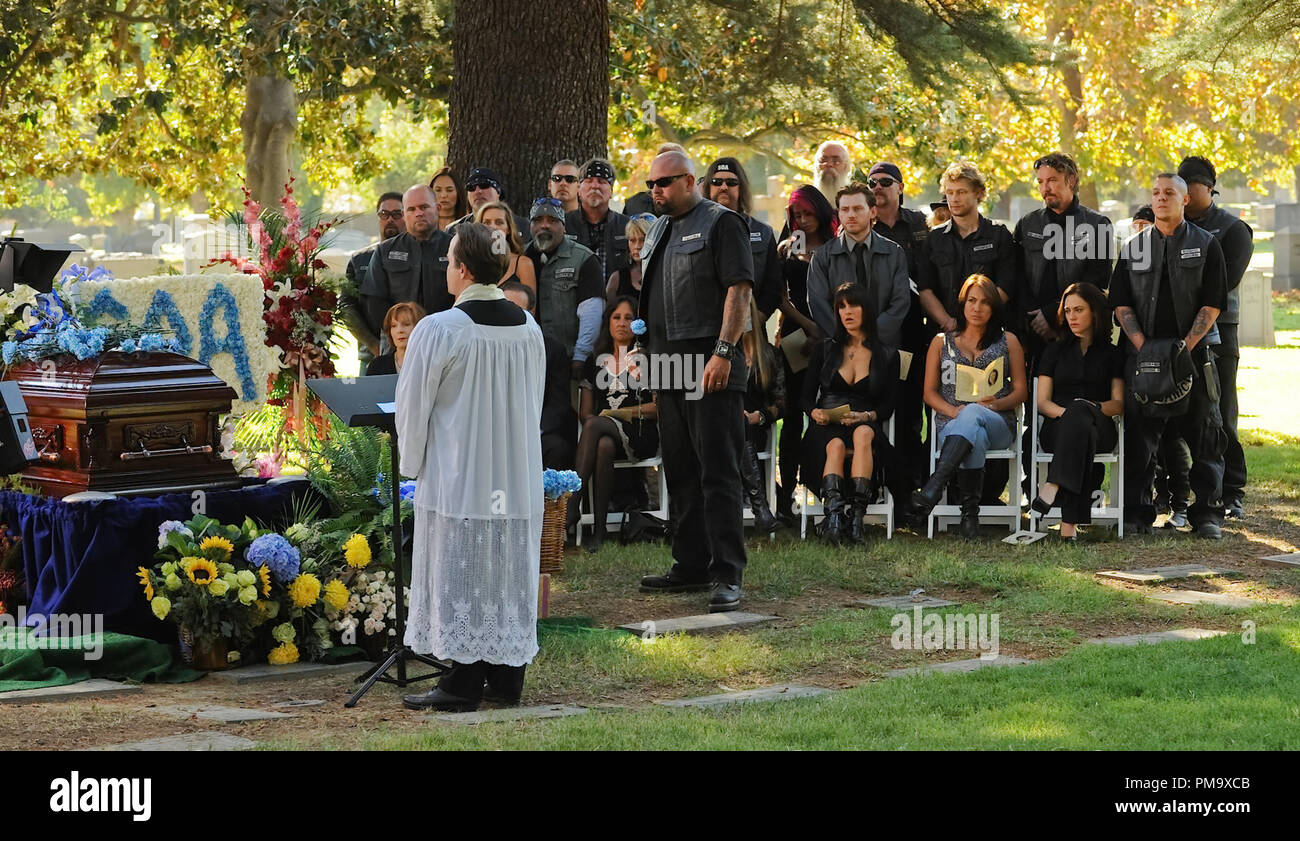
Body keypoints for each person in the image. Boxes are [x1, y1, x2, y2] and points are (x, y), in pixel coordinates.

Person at [396, 222, 543, 712]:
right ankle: (505, 679)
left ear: (462, 268)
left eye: (449, 259)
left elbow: (413, 407)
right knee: (503, 567)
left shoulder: (439, 329)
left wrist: (409, 464)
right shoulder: (529, 328)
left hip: (460, 474)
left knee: (462, 566)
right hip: (513, 474)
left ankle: (461, 683)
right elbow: (533, 403)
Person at [636, 150, 754, 612]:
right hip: (667, 363)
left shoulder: (722, 223)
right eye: (651, 185)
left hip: (708, 359)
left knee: (718, 470)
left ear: (690, 180)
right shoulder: (660, 226)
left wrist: (724, 352)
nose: (655, 192)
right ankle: (690, 564)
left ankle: (728, 572)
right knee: (681, 469)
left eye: (663, 184)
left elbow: (739, 289)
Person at [1109, 173, 1228, 539]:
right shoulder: (1133, 246)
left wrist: (1182, 350)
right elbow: (1120, 302)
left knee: (1204, 434)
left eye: (1169, 193)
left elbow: (1213, 304)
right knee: (1139, 440)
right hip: (1142, 357)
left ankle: (1207, 513)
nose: (1161, 199)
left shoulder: (1207, 244)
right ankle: (1136, 514)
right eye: (1156, 193)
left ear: (1185, 199)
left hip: (1194, 355)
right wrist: (1144, 346)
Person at [911, 274, 1028, 538]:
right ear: (963, 304)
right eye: (972, 301)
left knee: (975, 412)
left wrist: (997, 404)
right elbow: (929, 393)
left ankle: (934, 487)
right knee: (973, 429)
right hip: (951, 422)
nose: (977, 308)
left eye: (985, 302)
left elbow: (1021, 391)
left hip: (999, 422)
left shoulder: (1008, 341)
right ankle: (969, 517)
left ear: (994, 308)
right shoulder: (941, 342)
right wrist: (954, 411)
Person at [801, 283, 908, 544]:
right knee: (835, 444)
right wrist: (815, 412)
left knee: (862, 434)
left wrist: (867, 416)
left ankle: (857, 518)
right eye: (841, 307)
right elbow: (804, 397)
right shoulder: (825, 349)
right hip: (826, 425)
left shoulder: (888, 354)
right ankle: (835, 519)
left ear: (867, 310)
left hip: (864, 423)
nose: (847, 312)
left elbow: (889, 406)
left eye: (853, 306)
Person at [1180, 155, 1254, 521]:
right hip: (1177, 337)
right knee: (1184, 415)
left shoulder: (1233, 230)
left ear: (1208, 189)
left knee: (1222, 413)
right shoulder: (1173, 227)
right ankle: (1185, 491)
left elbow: (1223, 288)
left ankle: (1232, 490)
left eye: (1190, 188)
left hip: (1220, 335)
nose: (1185, 196)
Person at [1031, 282, 1124, 542]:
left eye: (1078, 310)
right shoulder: (1053, 351)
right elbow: (1042, 402)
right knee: (1079, 425)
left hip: (1101, 426)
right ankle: (1068, 526)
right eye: (1068, 310)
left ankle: (1054, 485)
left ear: (1094, 312)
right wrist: (1070, 414)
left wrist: (1088, 409)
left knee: (1082, 416)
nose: (1071, 316)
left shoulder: (1113, 354)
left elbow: (1118, 404)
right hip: (1057, 425)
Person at [566, 297, 660, 551]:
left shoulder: (647, 359)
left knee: (597, 426)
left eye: (628, 318)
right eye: (616, 317)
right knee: (603, 443)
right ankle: (598, 532)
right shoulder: (593, 362)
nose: (622, 323)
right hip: (602, 435)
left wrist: (619, 415)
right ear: (607, 322)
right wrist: (604, 421)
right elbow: (586, 413)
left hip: (641, 433)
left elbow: (657, 408)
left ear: (637, 324)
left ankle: (573, 505)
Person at [772, 185, 836, 526]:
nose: (802, 220)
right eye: (796, 215)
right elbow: (780, 298)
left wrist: (824, 331)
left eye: (808, 214)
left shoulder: (835, 248)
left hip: (832, 338)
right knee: (794, 417)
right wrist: (808, 328)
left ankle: (826, 488)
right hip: (795, 338)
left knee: (825, 413)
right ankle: (786, 495)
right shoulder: (786, 250)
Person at [1013, 152, 1114, 366]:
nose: (1045, 188)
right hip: (1034, 331)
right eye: (1040, 181)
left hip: (1078, 333)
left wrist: (1052, 314)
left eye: (1052, 180)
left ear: (1071, 180)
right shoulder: (1027, 224)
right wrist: (1035, 318)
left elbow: (1097, 281)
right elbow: (1017, 276)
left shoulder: (1098, 225)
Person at [868, 161, 932, 492]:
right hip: (872, 333)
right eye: (871, 182)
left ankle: (910, 483)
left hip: (912, 332)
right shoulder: (861, 225)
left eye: (884, 182)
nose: (877, 187)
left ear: (900, 188)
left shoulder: (920, 224)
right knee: (876, 407)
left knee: (910, 411)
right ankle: (876, 481)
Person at [805, 182, 910, 348]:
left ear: (872, 212)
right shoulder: (822, 257)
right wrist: (848, 339)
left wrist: (872, 337)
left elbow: (900, 302)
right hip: (840, 349)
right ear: (838, 214)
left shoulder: (894, 253)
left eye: (858, 208)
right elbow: (818, 305)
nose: (851, 215)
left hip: (884, 348)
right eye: (845, 209)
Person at [916, 161, 1017, 331]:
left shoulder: (998, 235)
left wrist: (976, 321)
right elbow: (925, 290)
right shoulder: (935, 238)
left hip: (988, 332)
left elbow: (1006, 286)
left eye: (961, 192)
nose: (954, 199)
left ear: (978, 193)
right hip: (944, 334)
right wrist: (948, 323)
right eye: (950, 192)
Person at [525, 197, 605, 379]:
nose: (544, 226)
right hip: (527, 361)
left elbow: (591, 313)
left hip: (567, 362)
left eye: (552, 221)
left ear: (564, 226)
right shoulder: (520, 258)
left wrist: (580, 356)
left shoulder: (584, 259)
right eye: (538, 220)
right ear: (530, 226)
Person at [502, 281, 577, 470]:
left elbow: (559, 404)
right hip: (499, 431)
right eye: (505, 308)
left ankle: (549, 501)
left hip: (540, 431)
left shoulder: (552, 350)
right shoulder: (486, 348)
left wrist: (534, 432)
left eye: (517, 309)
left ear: (531, 312)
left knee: (557, 449)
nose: (510, 315)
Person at [363, 184, 454, 340]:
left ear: (438, 208)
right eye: (411, 209)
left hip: (446, 338)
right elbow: (374, 300)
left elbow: (465, 296)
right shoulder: (385, 251)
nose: (418, 213)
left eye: (424, 207)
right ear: (404, 215)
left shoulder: (456, 248)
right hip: (397, 343)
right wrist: (396, 331)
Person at [701, 157, 782, 318]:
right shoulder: (692, 229)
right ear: (708, 187)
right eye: (717, 181)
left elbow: (773, 286)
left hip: (750, 330)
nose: (723, 187)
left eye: (731, 182)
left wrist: (758, 317)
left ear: (741, 188)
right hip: (704, 331)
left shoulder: (763, 233)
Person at [343, 191, 403, 373]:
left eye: (397, 214)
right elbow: (347, 307)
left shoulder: (419, 256)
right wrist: (373, 345)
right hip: (371, 357)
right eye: (384, 214)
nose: (390, 219)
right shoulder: (359, 260)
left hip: (413, 356)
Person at [739, 298, 785, 532]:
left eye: (746, 311)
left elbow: (782, 403)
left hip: (754, 428)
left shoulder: (770, 356)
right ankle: (761, 509)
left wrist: (761, 416)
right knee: (735, 420)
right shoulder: (720, 354)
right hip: (720, 427)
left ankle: (759, 507)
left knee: (742, 424)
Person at [566, 158, 631, 282]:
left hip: (615, 298)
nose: (595, 186)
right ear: (579, 190)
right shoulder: (564, 224)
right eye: (589, 181)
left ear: (611, 191)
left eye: (601, 181)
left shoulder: (627, 226)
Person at [474, 200, 537, 294]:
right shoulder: (470, 263)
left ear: (508, 229)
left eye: (499, 222)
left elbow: (530, 307)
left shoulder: (523, 264)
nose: (493, 227)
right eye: (486, 223)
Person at [449, 167, 531, 239]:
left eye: (484, 185)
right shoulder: (454, 229)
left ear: (498, 192)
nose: (478, 191)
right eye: (471, 187)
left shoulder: (524, 226)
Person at [623, 142, 686, 217]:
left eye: (673, 162)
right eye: (660, 161)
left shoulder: (697, 206)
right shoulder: (634, 204)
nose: (665, 166)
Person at [366, 301, 427, 376]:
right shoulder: (377, 365)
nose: (399, 331)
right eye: (394, 326)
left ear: (420, 328)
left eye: (406, 324)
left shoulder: (431, 363)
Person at [606, 214, 653, 303]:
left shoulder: (666, 275)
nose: (637, 246)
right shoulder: (617, 278)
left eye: (643, 240)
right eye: (632, 240)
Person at [429, 166, 469, 232]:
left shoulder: (469, 224)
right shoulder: (425, 224)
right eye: (438, 190)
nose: (443, 195)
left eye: (449, 190)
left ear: (458, 192)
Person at [813, 141, 853, 206]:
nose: (829, 164)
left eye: (836, 161)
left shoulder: (856, 201)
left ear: (846, 167)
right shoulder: (806, 201)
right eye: (823, 160)